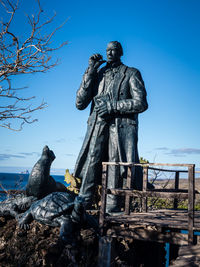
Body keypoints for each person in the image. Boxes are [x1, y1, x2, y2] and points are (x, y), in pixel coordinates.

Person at [73, 41, 148, 212]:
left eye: (114, 50)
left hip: (119, 127)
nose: (110, 53)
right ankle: (83, 202)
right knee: (92, 159)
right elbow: (79, 103)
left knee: (115, 162)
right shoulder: (98, 74)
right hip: (97, 125)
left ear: (121, 52)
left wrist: (113, 106)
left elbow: (141, 103)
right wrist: (90, 71)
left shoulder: (131, 73)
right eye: (107, 50)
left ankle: (112, 204)